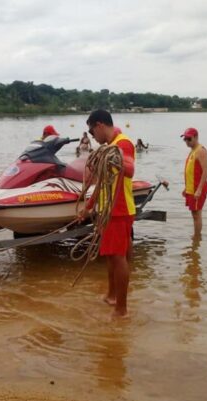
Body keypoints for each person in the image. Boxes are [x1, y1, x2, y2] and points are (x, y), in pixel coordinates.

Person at [80, 109, 136, 318]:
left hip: (119, 209)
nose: (92, 136)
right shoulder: (110, 146)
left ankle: (121, 309)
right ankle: (111, 295)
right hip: (107, 209)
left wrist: (115, 159)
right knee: (111, 257)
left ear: (100, 125)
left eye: (92, 131)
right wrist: (88, 207)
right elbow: (102, 182)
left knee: (118, 257)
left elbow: (130, 169)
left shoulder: (123, 144)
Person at [181, 128, 207, 238]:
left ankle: (197, 238)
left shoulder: (200, 151)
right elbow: (191, 171)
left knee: (196, 214)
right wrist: (186, 188)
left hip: (197, 188)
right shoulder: (193, 150)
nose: (187, 141)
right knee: (194, 214)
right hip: (191, 187)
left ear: (196, 137)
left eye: (189, 139)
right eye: (185, 139)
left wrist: (199, 189)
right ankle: (196, 236)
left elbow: (206, 171)